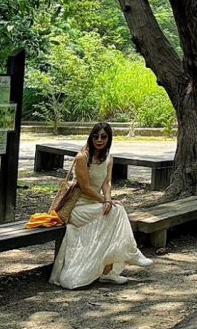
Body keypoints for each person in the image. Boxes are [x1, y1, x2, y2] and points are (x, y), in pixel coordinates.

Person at [49, 122, 154, 288]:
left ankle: (108, 271)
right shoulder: (82, 157)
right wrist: (104, 201)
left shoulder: (108, 158)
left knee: (114, 213)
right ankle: (130, 254)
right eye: (95, 136)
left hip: (96, 203)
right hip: (78, 207)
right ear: (90, 137)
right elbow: (85, 187)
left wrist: (108, 198)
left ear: (109, 138)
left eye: (104, 136)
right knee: (117, 212)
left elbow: (107, 182)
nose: (99, 140)